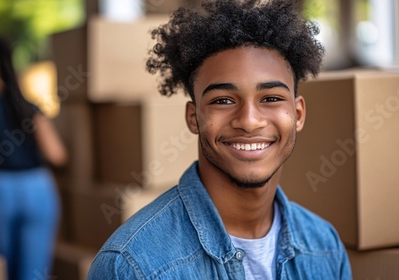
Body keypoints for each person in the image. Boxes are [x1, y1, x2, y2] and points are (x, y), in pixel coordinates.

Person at [87, 0, 351, 279]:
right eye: (223, 100)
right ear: (193, 118)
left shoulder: (325, 247)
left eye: (271, 98)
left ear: (297, 114)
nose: (249, 121)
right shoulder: (132, 266)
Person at [0, 38, 67, 280]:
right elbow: (57, 155)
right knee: (35, 274)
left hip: (1, 189)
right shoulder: (27, 105)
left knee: (2, 272)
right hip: (40, 187)